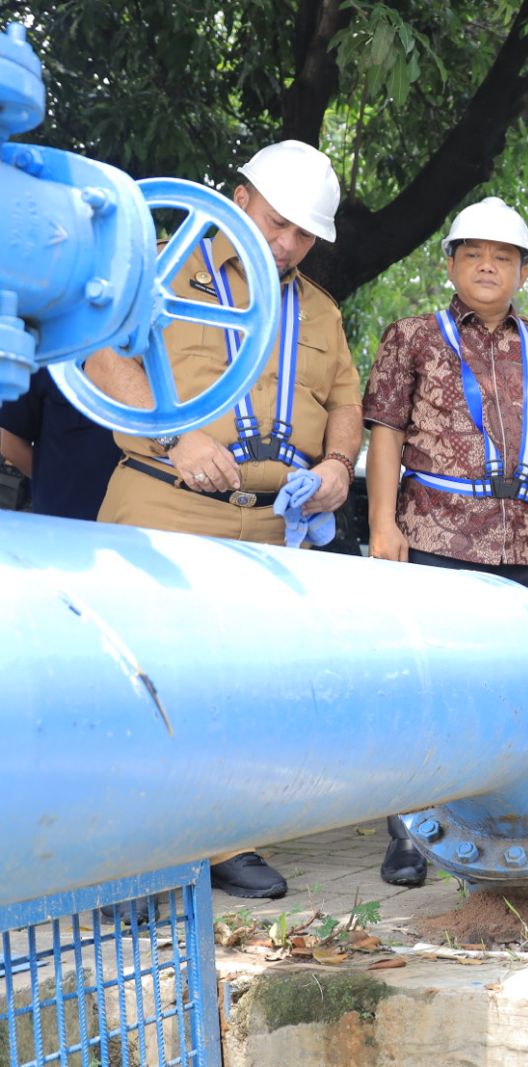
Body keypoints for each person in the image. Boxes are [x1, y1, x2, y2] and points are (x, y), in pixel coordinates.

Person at [84, 140, 359, 900]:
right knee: (143, 682)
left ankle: (228, 842)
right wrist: (177, 435)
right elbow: (102, 360)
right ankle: (129, 862)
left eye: (304, 234)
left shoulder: (322, 311)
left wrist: (339, 464)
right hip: (163, 503)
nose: (288, 244)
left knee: (248, 688)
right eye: (277, 223)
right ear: (239, 202)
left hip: (271, 527)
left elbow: (346, 400)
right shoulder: (163, 269)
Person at [363, 195, 528, 885]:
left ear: (524, 271)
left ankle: (498, 834)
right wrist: (382, 525)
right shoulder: (413, 337)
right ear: (451, 264)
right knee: (428, 689)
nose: (488, 266)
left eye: (503, 257)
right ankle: (411, 835)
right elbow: (385, 435)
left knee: (510, 690)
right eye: (473, 254)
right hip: (434, 533)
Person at [0, 368, 121, 520]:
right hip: (63, 523)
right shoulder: (47, 359)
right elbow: (11, 445)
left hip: (134, 518)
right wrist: (54, 484)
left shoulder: (144, 362)